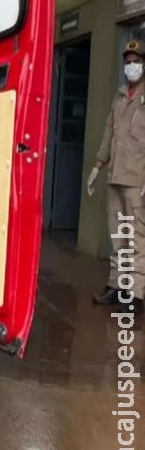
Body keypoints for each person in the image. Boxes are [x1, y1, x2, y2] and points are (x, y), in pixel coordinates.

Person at [87, 38, 145, 315]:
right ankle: (117, 285)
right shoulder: (120, 95)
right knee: (118, 236)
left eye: (136, 62)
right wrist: (98, 166)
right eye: (128, 62)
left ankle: (135, 294)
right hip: (116, 176)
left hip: (137, 179)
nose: (131, 67)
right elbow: (109, 132)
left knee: (137, 239)